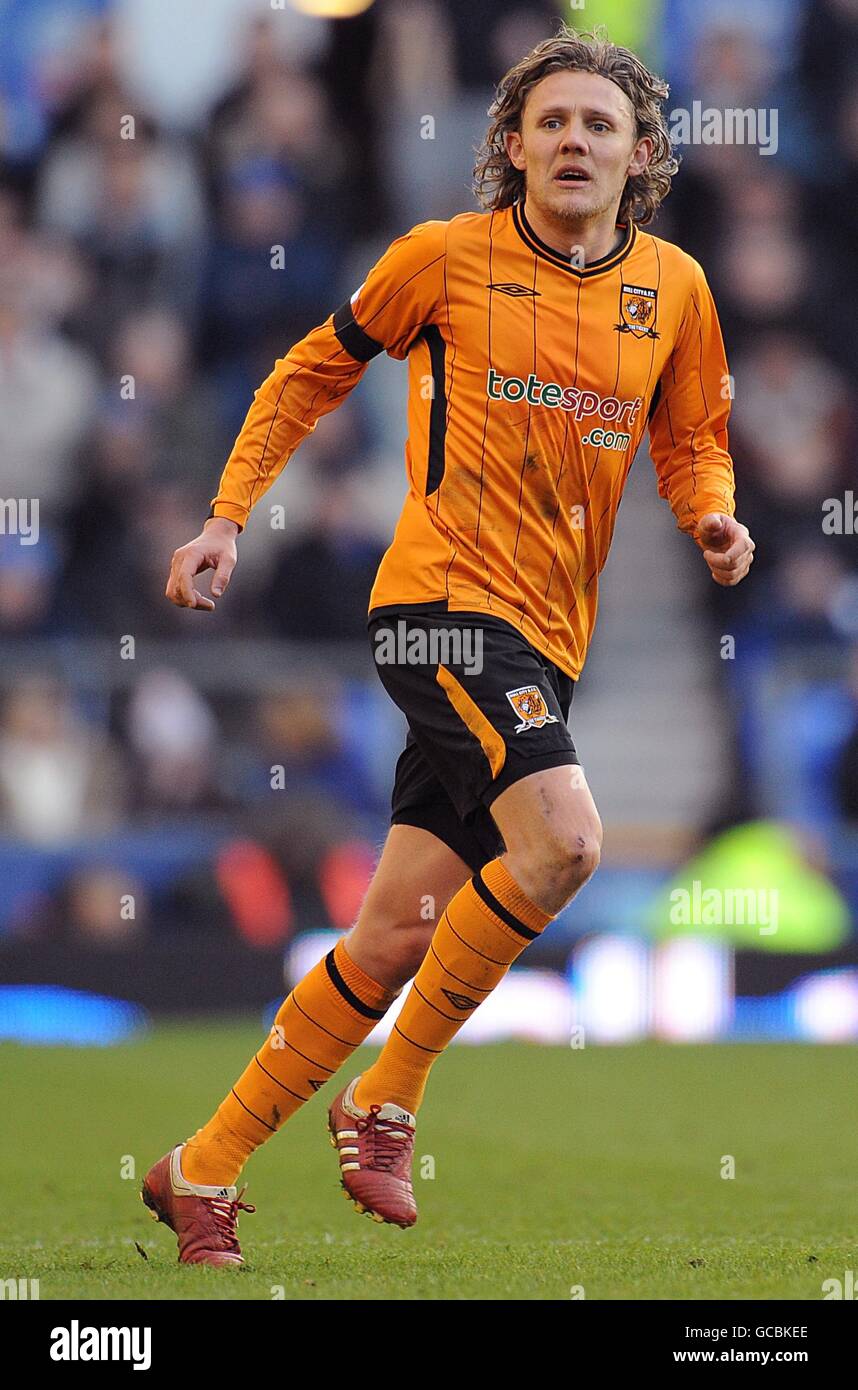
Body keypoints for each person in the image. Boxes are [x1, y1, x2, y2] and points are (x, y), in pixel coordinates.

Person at [142, 24, 754, 1266]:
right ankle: (391, 1095)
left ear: (641, 155)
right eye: (552, 122)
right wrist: (225, 516)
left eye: (600, 124)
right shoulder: (444, 259)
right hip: (438, 608)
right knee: (570, 840)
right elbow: (309, 372)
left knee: (393, 936)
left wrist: (711, 515)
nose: (574, 140)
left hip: (550, 635)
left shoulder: (678, 290)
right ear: (513, 146)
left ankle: (199, 1167)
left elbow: (694, 436)